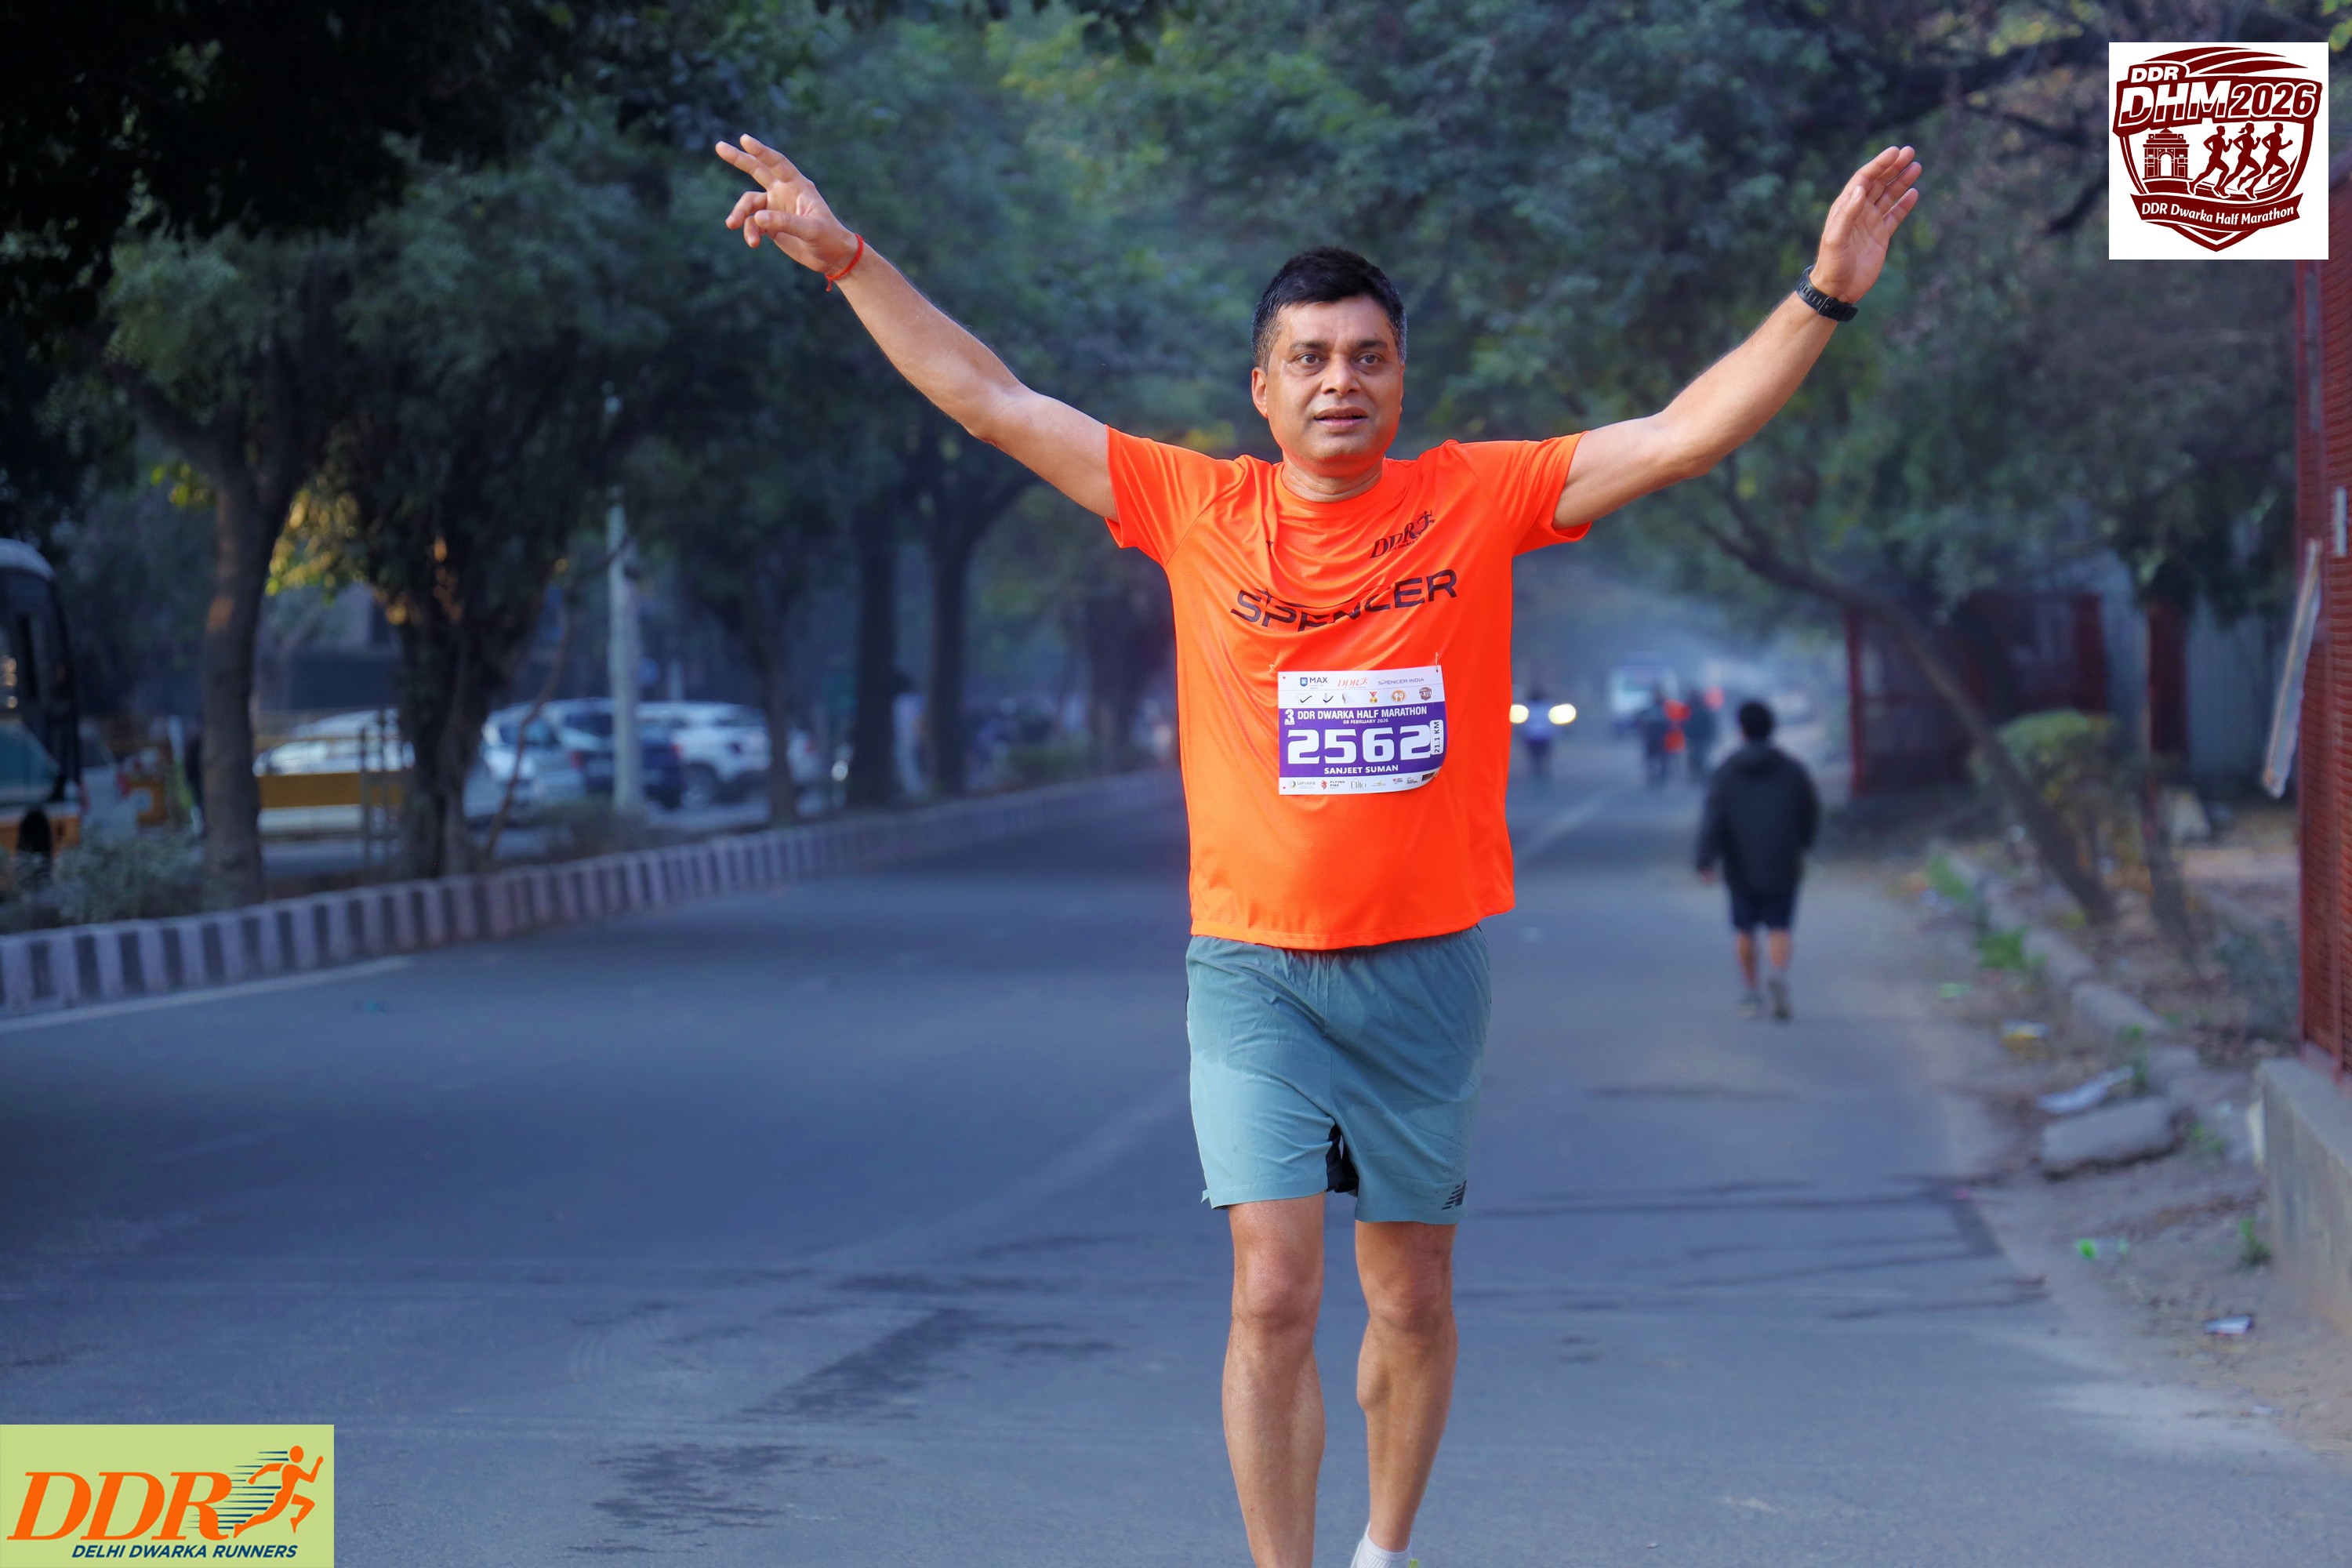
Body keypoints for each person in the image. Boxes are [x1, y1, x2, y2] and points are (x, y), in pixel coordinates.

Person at [717, 129, 1919, 1568]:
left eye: (1367, 357)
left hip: (1425, 971)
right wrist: (848, 259)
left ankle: (1382, 1552)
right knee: (1273, 1293)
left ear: (1400, 380)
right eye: (1310, 358)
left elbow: (1684, 434)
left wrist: (1825, 293)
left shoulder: (1478, 497)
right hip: (1254, 971)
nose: (1340, 380)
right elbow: (991, 399)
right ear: (1263, 388)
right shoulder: (1194, 507)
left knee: (1408, 1298)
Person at [1697, 700, 1820, 1022]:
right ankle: (1777, 974)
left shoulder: (1727, 771)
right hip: (1782, 860)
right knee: (1779, 926)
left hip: (1739, 863)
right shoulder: (1792, 769)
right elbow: (1809, 812)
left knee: (1744, 929)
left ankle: (1751, 993)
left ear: (1742, 730)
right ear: (1772, 728)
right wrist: (1804, 844)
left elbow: (1714, 818)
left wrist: (1705, 860)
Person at [1636, 686, 1672, 787]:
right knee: (1651, 758)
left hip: (1663, 736)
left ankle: (1663, 775)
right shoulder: (1649, 708)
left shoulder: (1667, 708)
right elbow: (1640, 719)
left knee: (1663, 758)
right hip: (1652, 736)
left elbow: (1672, 722)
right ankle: (1653, 776)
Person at [1682, 687, 1719, 784]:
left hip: (1700, 736)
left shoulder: (1697, 708)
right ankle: (1697, 775)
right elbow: (1684, 724)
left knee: (1699, 756)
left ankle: (1700, 775)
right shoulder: (1689, 709)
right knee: (1695, 757)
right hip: (1695, 737)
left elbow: (1710, 722)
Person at [1519, 686, 1554, 785]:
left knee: (1535, 757)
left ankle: (1537, 773)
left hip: (1533, 736)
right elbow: (1551, 723)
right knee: (1542, 757)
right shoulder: (1547, 706)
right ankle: (1541, 773)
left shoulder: (1528, 707)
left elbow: (1524, 724)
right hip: (1543, 736)